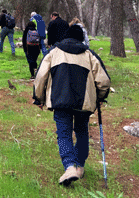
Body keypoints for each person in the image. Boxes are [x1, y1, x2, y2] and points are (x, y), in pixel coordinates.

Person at [32, 25, 111, 186]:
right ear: (82, 37)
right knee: (82, 132)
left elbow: (40, 76)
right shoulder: (89, 55)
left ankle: (69, 167)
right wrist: (101, 97)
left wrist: (38, 98)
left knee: (64, 134)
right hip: (84, 103)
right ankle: (80, 166)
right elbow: (104, 81)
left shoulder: (54, 52)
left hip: (60, 101)